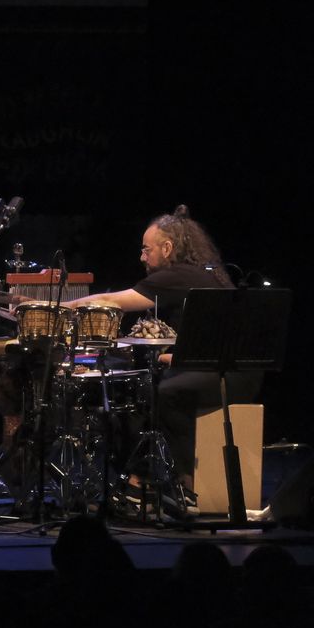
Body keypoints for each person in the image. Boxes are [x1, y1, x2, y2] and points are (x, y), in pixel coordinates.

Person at [45, 205, 248, 495]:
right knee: (139, 386)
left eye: (146, 250)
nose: (142, 257)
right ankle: (140, 480)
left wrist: (60, 308)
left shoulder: (179, 275)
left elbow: (111, 300)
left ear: (167, 248)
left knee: (159, 394)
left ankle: (184, 484)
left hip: (229, 374)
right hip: (219, 366)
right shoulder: (201, 273)